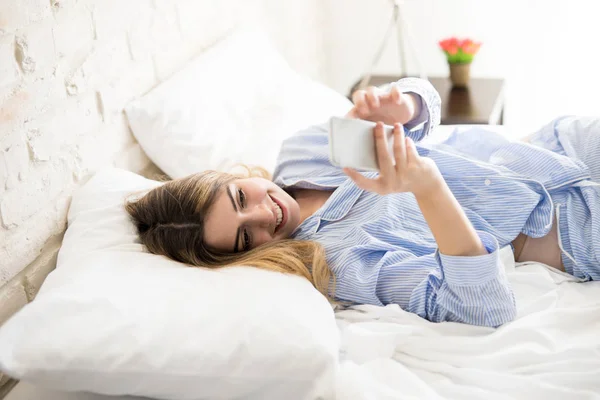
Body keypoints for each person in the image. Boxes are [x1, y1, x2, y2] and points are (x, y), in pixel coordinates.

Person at [126, 78, 600, 328]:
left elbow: (424, 109)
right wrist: (428, 189)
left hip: (558, 146)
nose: (264, 213)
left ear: (231, 177)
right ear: (244, 257)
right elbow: (482, 308)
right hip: (575, 229)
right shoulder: (339, 262)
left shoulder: (302, 153)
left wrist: (405, 105)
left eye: (240, 197)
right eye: (246, 236)